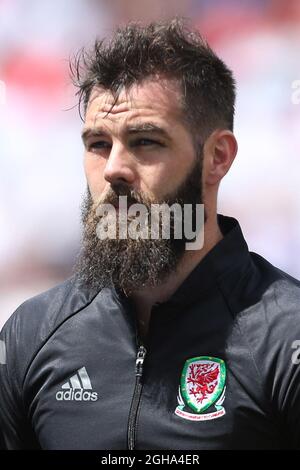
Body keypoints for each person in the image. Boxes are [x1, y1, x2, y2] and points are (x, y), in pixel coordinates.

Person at [1, 18, 300, 451]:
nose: (114, 169)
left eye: (145, 142)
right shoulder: (32, 334)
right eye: (98, 144)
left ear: (217, 157)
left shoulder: (284, 336)